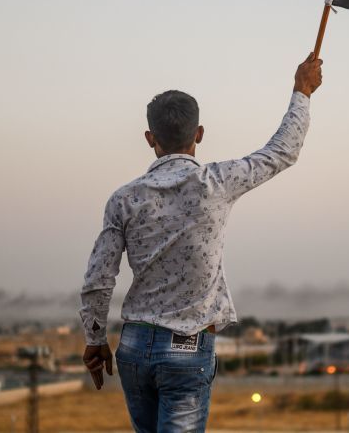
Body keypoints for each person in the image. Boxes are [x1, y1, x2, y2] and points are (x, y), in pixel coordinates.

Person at [79, 53, 323, 432]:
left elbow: (98, 279)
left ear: (150, 139)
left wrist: (95, 340)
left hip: (132, 349)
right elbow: (281, 152)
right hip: (186, 351)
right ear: (199, 134)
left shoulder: (123, 199)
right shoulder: (216, 184)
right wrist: (302, 91)